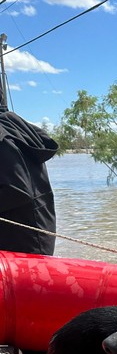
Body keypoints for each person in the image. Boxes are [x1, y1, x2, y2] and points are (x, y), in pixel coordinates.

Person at [0, 87, 58, 256]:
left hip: (22, 244)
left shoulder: (2, 133)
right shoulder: (12, 123)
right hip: (38, 233)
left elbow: (17, 190)